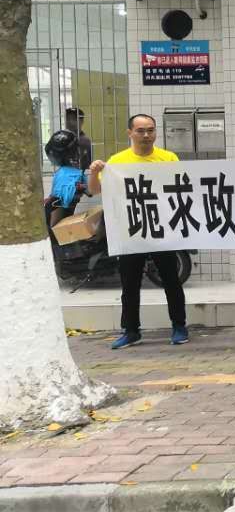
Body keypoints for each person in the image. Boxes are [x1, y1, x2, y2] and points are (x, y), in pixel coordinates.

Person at [86, 114, 187, 349]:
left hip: (162, 229)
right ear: (130, 133)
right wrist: (94, 172)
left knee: (171, 280)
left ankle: (179, 326)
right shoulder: (117, 161)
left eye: (150, 130)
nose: (146, 135)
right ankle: (131, 331)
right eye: (140, 131)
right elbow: (95, 190)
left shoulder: (168, 158)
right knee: (130, 283)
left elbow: (183, 186)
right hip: (130, 230)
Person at [43, 130, 88, 227]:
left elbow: (63, 200)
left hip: (55, 216)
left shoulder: (67, 173)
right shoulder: (70, 172)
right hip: (58, 215)